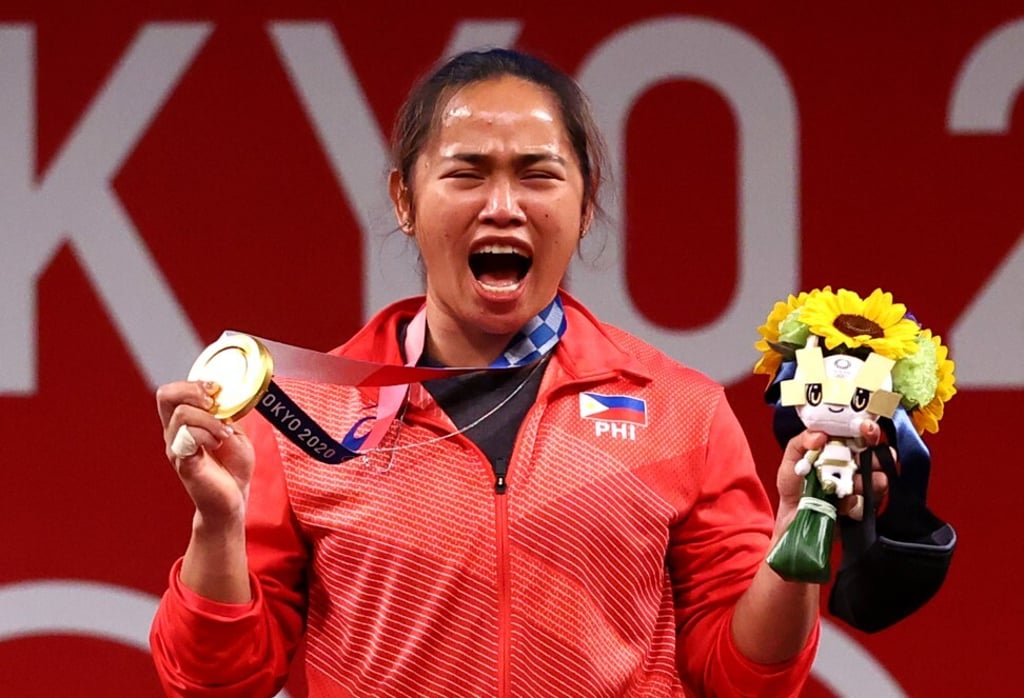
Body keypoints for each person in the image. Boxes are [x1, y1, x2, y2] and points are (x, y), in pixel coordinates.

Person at [150, 48, 887, 697]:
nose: (503, 206)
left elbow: (744, 678)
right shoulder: (305, 417)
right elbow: (217, 682)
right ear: (405, 200)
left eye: (537, 175)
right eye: (466, 174)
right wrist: (217, 526)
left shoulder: (678, 410)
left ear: (585, 201)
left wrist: (798, 538)